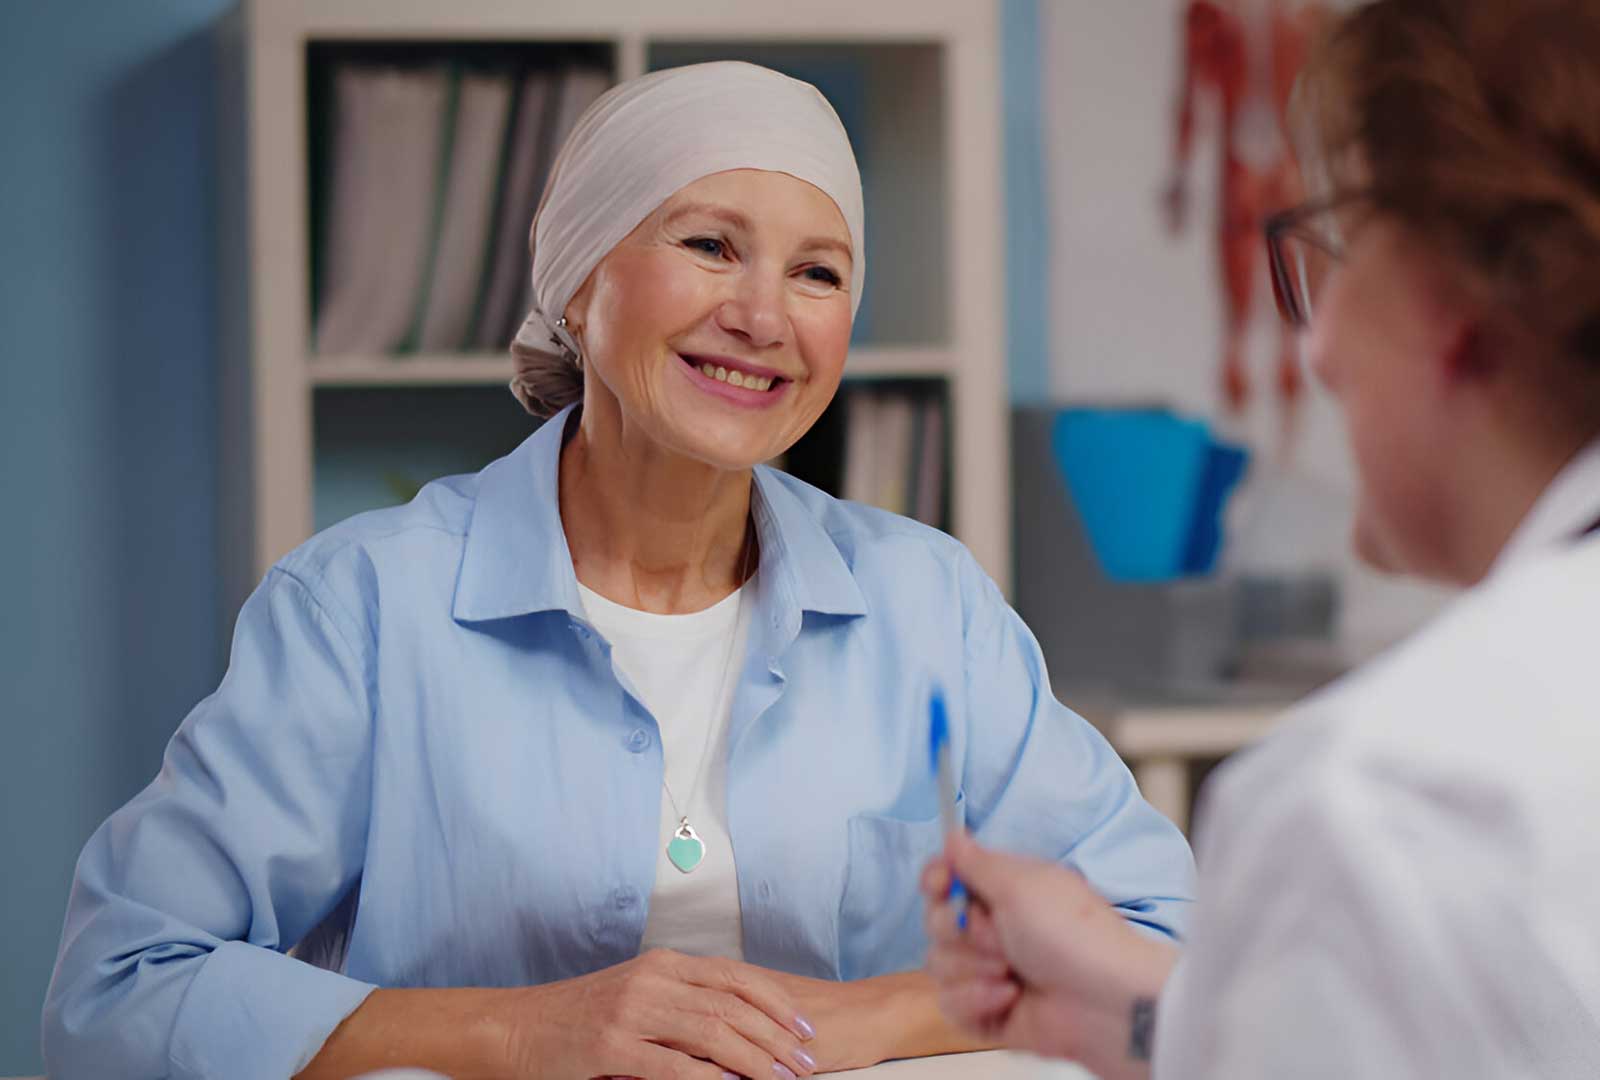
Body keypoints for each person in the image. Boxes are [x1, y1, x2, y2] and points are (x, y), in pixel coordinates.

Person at [43, 62, 1194, 1080]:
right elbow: (118, 991)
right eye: (708, 245)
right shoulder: (360, 609)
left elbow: (1160, 928)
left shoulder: (927, 604)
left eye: (819, 272)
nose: (762, 317)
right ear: (580, 287)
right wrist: (523, 1034)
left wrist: (861, 1020)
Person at [923, 0, 1600, 1075]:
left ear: (1468, 284)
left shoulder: (1390, 811)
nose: (1322, 345)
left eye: (1343, 242)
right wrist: (1163, 1017)